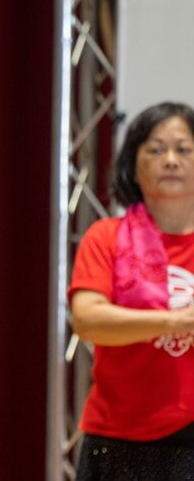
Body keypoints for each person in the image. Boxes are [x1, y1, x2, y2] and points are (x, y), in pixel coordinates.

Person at [70, 102, 194, 480]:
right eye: (156, 149)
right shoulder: (105, 237)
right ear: (132, 165)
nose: (171, 160)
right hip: (117, 441)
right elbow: (88, 320)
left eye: (184, 149)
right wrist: (178, 321)